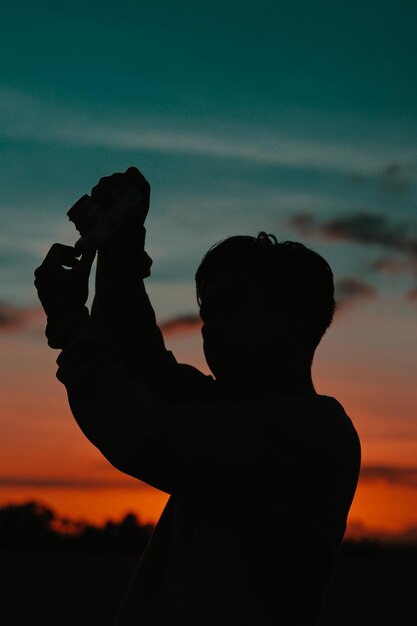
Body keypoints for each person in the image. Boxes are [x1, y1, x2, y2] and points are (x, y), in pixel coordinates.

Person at [34, 166, 361, 625]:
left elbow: (148, 433)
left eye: (231, 304)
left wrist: (72, 324)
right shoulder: (233, 411)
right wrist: (120, 253)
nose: (210, 326)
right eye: (207, 310)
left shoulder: (311, 434)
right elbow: (141, 363)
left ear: (292, 317)